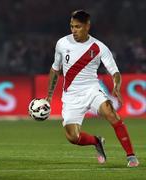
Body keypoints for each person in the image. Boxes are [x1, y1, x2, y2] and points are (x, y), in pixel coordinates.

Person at [46, 10, 139, 167]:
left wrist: (116, 86)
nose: (74, 30)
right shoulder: (62, 43)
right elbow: (55, 69)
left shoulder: (99, 47)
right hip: (71, 96)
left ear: (87, 26)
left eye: (78, 27)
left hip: (92, 90)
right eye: (71, 26)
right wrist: (49, 95)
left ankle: (131, 156)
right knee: (73, 137)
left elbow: (115, 72)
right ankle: (97, 141)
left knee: (111, 113)